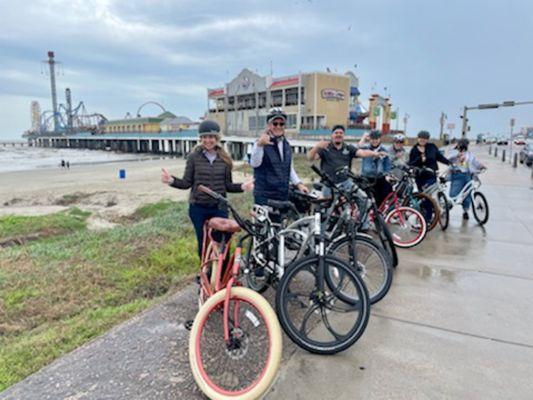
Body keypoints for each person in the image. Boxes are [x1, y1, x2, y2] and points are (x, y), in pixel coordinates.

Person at [161, 120, 253, 256]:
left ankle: (221, 275)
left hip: (219, 207)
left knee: (223, 241)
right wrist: (171, 180)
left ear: (217, 138)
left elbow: (227, 185)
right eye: (204, 137)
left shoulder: (225, 159)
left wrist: (242, 186)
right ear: (200, 138)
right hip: (198, 207)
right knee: (204, 242)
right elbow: (187, 183)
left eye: (211, 137)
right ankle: (205, 272)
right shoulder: (193, 157)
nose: (207, 140)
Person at [249, 107, 308, 206]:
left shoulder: (286, 145)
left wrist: (299, 184)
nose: (278, 126)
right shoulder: (258, 143)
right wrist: (260, 145)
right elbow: (254, 164)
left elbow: (289, 168)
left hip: (282, 194)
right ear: (268, 125)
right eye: (275, 123)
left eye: (282, 124)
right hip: (264, 197)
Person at [308, 125, 388, 197]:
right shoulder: (325, 147)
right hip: (329, 184)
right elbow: (310, 158)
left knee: (363, 198)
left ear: (343, 135)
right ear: (332, 135)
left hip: (345, 182)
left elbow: (362, 153)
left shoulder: (348, 148)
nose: (338, 135)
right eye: (336, 133)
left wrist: (376, 154)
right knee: (328, 208)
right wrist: (317, 146)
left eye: (341, 133)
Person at [447, 138, 487, 220]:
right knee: (454, 193)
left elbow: (475, 162)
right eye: (461, 144)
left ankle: (466, 211)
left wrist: (481, 166)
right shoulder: (454, 152)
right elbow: (448, 159)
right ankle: (447, 207)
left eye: (465, 144)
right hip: (457, 175)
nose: (463, 146)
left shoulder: (469, 154)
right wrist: (457, 156)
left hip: (468, 175)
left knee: (468, 194)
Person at [358, 130, 392, 208]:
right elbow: (359, 147)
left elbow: (387, 165)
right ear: (370, 139)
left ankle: (377, 217)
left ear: (380, 139)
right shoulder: (366, 148)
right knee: (366, 200)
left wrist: (387, 175)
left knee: (380, 200)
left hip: (379, 178)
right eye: (372, 139)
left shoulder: (384, 150)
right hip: (366, 178)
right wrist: (364, 137)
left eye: (376, 138)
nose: (374, 141)